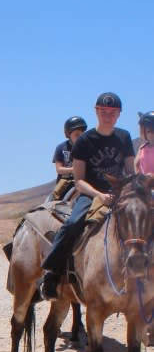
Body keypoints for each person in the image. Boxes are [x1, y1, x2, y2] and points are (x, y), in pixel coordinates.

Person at [40, 92, 135, 300]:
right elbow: (79, 180)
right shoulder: (85, 140)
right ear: (96, 112)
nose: (107, 115)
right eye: (103, 111)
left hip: (121, 195)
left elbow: (130, 172)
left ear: (119, 114)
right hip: (91, 194)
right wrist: (99, 194)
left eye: (112, 112)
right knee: (73, 223)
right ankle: (52, 273)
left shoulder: (124, 137)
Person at [50, 116, 87, 201]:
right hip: (66, 181)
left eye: (83, 134)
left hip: (84, 181)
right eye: (77, 135)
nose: (80, 137)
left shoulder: (88, 148)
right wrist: (74, 169)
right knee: (53, 200)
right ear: (68, 134)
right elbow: (59, 169)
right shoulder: (61, 148)